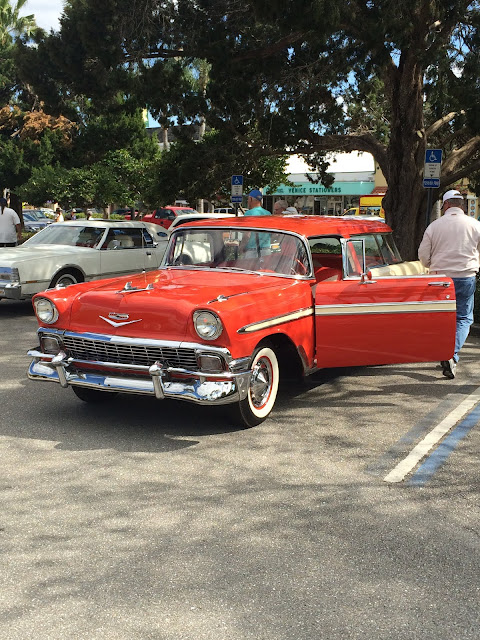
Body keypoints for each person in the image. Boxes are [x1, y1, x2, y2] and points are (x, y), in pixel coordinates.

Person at [418, 189, 480, 379]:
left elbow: (423, 256)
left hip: (440, 279)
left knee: (441, 318)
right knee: (463, 318)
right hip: (465, 276)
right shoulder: (475, 225)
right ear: (461, 205)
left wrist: (432, 265)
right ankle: (451, 354)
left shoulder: (434, 226)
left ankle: (446, 353)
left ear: (445, 205)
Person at [242, 189, 271, 257]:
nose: (247, 201)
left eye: (248, 199)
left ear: (251, 199)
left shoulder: (249, 214)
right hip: (266, 250)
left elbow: (247, 234)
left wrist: (242, 246)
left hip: (252, 251)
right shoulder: (268, 214)